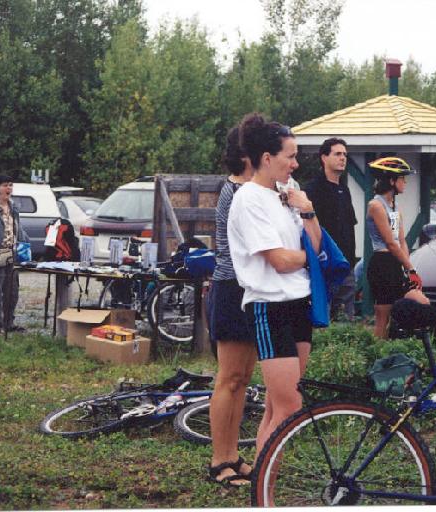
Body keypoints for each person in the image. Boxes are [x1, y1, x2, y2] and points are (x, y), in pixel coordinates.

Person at [227, 113, 321, 455]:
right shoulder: (248, 198)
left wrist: (308, 210)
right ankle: (264, 483)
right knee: (289, 408)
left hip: (299, 303)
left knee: (277, 407)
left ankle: (264, 477)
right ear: (267, 158)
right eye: (290, 156)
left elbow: (316, 245)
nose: (295, 164)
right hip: (270, 306)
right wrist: (310, 259)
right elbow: (280, 261)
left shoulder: (287, 194)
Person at [205, 126, 257, 487]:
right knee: (228, 378)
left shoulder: (252, 189)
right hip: (230, 289)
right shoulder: (236, 191)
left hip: (250, 289)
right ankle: (218, 461)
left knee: (243, 379)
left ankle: (233, 454)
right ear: (245, 154)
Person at [365, 156, 422, 339]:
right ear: (391, 180)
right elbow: (390, 242)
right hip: (382, 262)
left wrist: (406, 267)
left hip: (396, 261)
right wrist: (410, 268)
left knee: (402, 310)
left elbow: (401, 240)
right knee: (383, 314)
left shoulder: (395, 207)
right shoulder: (376, 205)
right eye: (402, 178)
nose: (405, 182)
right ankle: (377, 351)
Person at [304, 138, 358, 320]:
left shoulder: (345, 190)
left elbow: (350, 227)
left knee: (346, 319)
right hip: (323, 263)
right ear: (324, 157)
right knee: (323, 317)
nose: (343, 158)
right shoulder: (312, 190)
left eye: (345, 155)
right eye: (337, 154)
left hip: (345, 264)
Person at [0, 175, 29, 335]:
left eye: (10, 185)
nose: (9, 188)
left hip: (12, 254)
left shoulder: (13, 207)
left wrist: (25, 246)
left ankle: (9, 323)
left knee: (12, 291)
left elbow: (19, 229)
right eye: (5, 185)